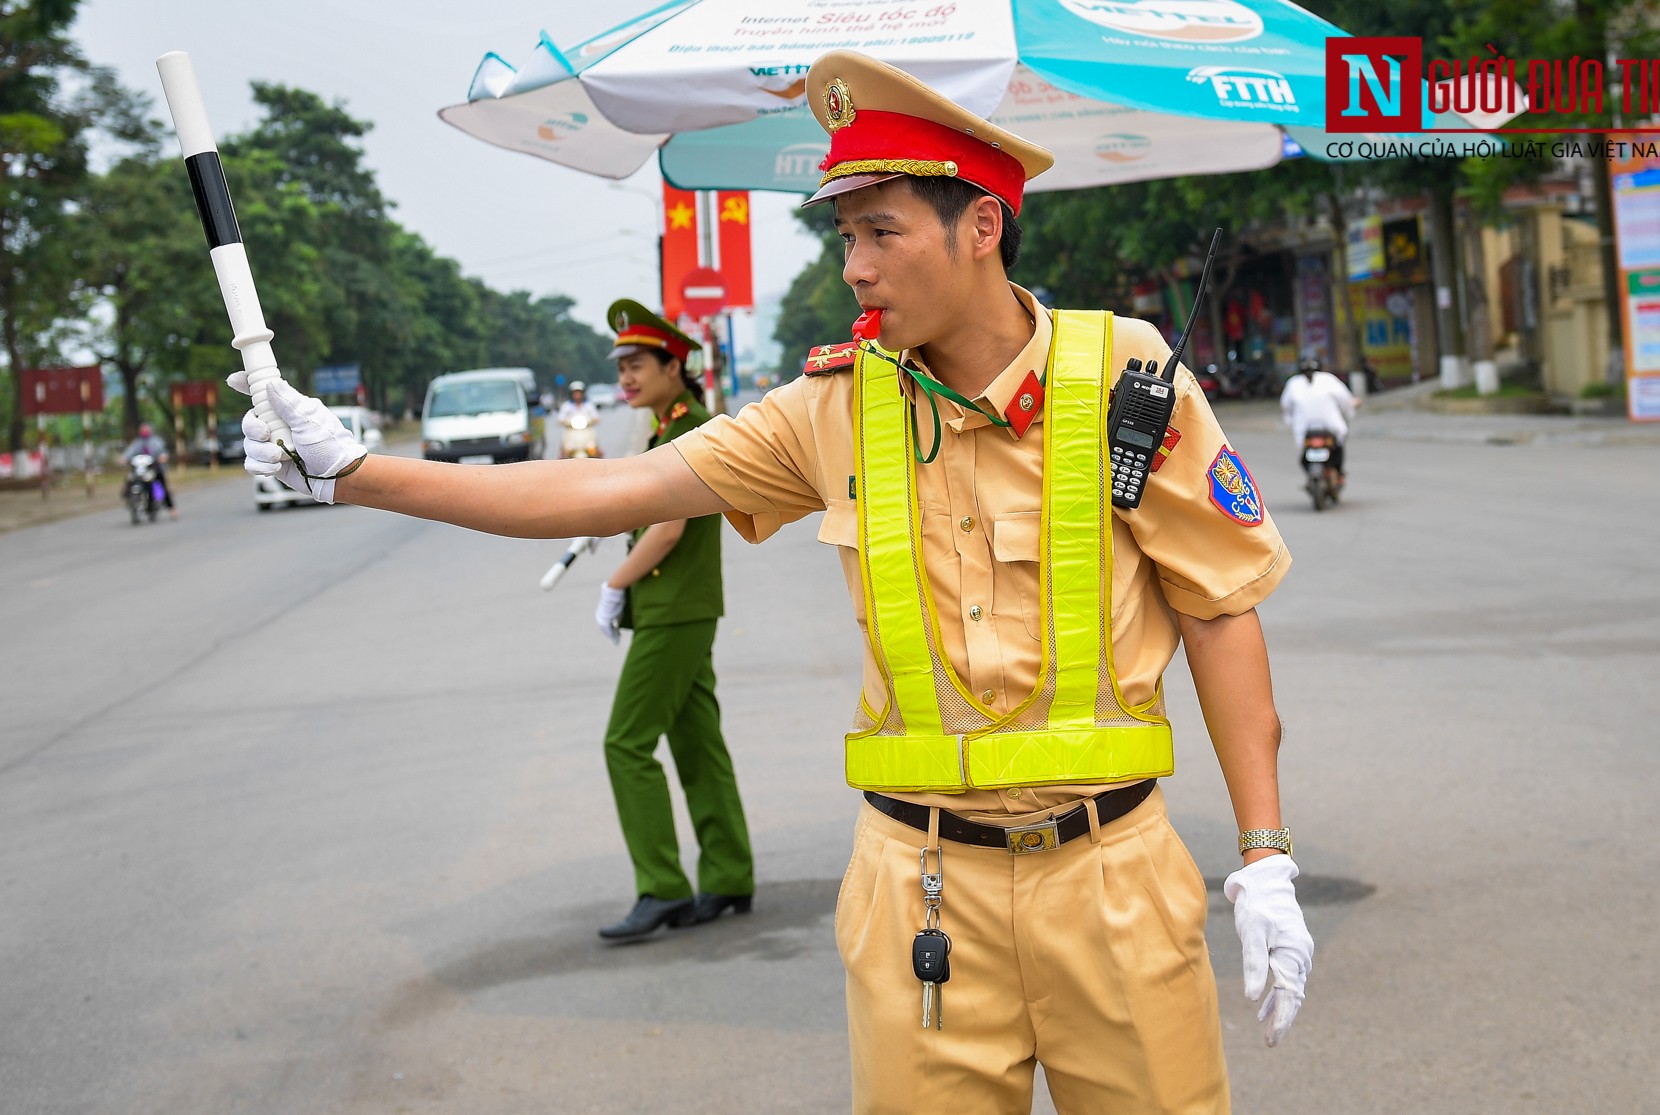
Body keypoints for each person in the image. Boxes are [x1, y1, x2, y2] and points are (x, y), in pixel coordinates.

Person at [237, 50, 1313, 1113]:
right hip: (918, 891)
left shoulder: (1124, 378)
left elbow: (1218, 611)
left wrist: (1261, 854)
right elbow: (614, 487)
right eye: (845, 235)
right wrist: (360, 475)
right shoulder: (829, 408)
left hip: (1113, 873)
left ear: (980, 226)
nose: (855, 266)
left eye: (881, 231)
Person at [586, 301, 756, 939]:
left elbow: (668, 528)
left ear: (672, 365)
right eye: (622, 367)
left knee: (625, 743)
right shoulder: (670, 427)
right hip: (679, 608)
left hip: (672, 611)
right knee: (696, 744)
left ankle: (661, 888)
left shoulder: (686, 430)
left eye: (636, 366)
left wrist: (613, 585)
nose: (625, 378)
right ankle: (729, 874)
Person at [1280, 356, 1358, 483]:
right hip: (1331, 427)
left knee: (1304, 459)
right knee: (1338, 446)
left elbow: (1285, 406)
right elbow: (1345, 400)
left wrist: (1289, 419)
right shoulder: (1328, 380)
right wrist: (1351, 408)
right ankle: (1338, 475)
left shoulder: (1293, 383)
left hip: (1304, 430)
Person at [121, 422, 176, 520]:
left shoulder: (156, 441)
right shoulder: (137, 442)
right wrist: (124, 458)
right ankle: (128, 497)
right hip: (141, 469)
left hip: (154, 468)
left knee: (162, 485)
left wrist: (163, 457)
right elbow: (129, 452)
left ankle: (171, 508)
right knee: (129, 480)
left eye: (146, 430)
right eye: (142, 430)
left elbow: (163, 451)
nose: (144, 432)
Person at [556, 381, 600, 459]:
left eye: (579, 392)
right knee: (563, 450)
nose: (577, 395)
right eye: (575, 393)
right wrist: (564, 422)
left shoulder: (588, 405)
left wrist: (594, 420)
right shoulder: (566, 406)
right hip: (571, 430)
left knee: (596, 447)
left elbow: (596, 417)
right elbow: (560, 418)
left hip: (586, 430)